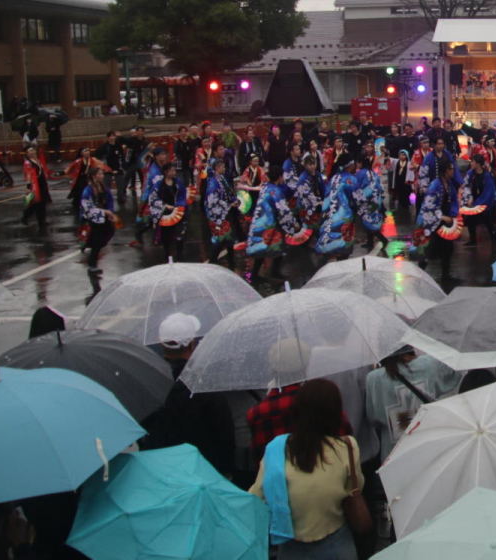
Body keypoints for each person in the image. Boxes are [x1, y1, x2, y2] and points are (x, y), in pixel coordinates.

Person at [249, 379, 363, 560]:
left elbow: (257, 497)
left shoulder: (276, 450)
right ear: (335, 412)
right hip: (337, 542)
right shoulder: (347, 447)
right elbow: (355, 488)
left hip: (291, 547)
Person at [143, 313, 236, 477]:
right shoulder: (204, 383)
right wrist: (227, 469)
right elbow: (223, 429)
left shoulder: (149, 381)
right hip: (204, 468)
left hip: (164, 469)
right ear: (192, 344)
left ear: (161, 342)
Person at [364, 346, 461, 464]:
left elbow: (373, 418)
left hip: (395, 455)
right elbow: (455, 372)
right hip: (429, 445)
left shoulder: (374, 379)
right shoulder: (429, 364)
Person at [247, 166, 303, 282]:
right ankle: (275, 272)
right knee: (280, 245)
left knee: (261, 248)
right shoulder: (276, 192)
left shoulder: (265, 187)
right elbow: (283, 210)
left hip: (260, 221)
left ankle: (255, 274)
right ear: (279, 177)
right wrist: (293, 224)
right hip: (271, 223)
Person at [417, 158, 460, 281]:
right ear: (446, 170)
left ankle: (445, 276)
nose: (453, 171)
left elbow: (453, 200)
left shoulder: (449, 184)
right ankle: (420, 275)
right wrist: (441, 216)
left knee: (447, 249)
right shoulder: (435, 185)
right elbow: (429, 204)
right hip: (434, 222)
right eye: (452, 169)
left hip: (444, 221)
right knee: (429, 249)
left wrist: (452, 214)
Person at [205, 157, 245, 268]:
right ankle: (212, 263)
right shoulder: (213, 183)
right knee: (220, 239)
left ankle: (231, 263)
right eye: (222, 166)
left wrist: (234, 200)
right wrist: (228, 204)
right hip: (218, 214)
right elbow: (212, 201)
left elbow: (228, 193)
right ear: (217, 168)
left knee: (229, 238)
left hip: (226, 212)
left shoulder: (221, 178)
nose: (224, 168)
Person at [316, 155, 359, 258]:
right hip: (344, 215)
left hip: (329, 214)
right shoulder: (351, 179)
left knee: (335, 243)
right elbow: (359, 199)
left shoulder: (334, 178)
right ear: (351, 165)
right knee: (344, 245)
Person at [78, 165, 116, 274]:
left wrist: (110, 211)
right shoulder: (88, 190)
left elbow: (110, 200)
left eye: (102, 174)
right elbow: (87, 208)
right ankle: (92, 265)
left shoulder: (103, 187)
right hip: (93, 219)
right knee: (96, 241)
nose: (102, 176)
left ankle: (92, 262)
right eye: (99, 174)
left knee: (106, 235)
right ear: (93, 176)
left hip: (103, 217)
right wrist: (104, 212)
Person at [149, 162, 188, 262]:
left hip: (177, 212)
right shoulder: (159, 184)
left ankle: (180, 257)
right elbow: (153, 198)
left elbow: (182, 195)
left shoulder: (178, 182)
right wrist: (164, 205)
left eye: (174, 170)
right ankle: (167, 258)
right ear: (165, 172)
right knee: (166, 237)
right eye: (171, 170)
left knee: (180, 236)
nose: (174, 172)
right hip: (165, 214)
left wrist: (180, 205)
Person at [461, 153, 496, 246]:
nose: (471, 163)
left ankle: (494, 238)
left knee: (488, 220)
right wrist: (469, 198)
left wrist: (478, 203)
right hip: (473, 201)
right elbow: (466, 186)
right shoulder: (470, 173)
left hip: (484, 203)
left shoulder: (487, 175)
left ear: (478, 164)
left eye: (472, 162)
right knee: (470, 220)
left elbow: (489, 192)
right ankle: (472, 239)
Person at [353, 156, 388, 253]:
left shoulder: (361, 173)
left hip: (366, 200)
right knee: (370, 221)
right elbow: (380, 187)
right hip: (376, 201)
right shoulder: (373, 173)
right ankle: (370, 241)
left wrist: (355, 198)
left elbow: (356, 187)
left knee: (369, 222)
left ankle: (383, 239)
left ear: (360, 163)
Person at [20, 146, 51, 230]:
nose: (33, 152)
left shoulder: (37, 160)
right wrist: (28, 187)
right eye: (31, 151)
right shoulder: (28, 163)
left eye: (33, 150)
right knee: (36, 203)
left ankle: (42, 221)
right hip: (35, 185)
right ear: (27, 153)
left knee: (42, 203)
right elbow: (28, 175)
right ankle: (26, 216)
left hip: (42, 183)